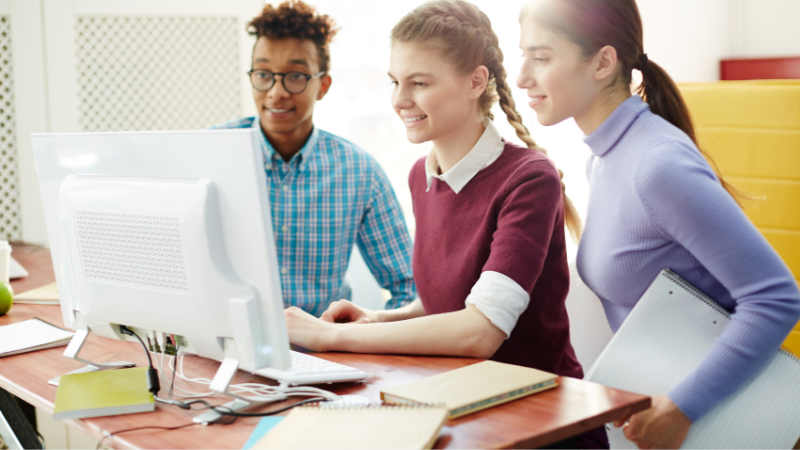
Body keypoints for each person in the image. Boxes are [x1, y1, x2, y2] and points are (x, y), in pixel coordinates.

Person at [285, 1, 606, 447]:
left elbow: (480, 330)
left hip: (540, 424)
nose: (400, 100)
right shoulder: (423, 175)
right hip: (465, 408)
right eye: (396, 82)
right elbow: (447, 301)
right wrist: (377, 320)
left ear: (475, 81)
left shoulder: (528, 179)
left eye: (419, 83)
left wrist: (332, 337)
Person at [517, 0, 800, 448]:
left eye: (542, 57)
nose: (522, 79)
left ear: (604, 62)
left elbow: (776, 297)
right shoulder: (605, 159)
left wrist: (682, 407)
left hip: (721, 422)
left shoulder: (657, 165)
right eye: (523, 56)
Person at [213, 0, 416, 316]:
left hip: (322, 351)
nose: (276, 92)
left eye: (295, 76)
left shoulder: (359, 172)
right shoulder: (211, 153)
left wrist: (368, 337)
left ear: (323, 85)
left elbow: (410, 288)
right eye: (264, 73)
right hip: (224, 347)